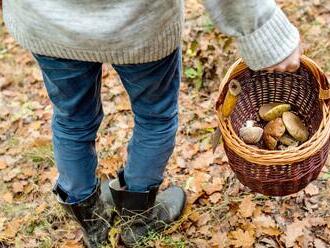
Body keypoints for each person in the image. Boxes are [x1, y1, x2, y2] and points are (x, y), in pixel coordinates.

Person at [2, 0, 301, 247]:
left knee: (71, 120)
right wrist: (263, 30)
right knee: (154, 118)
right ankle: (137, 219)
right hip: (137, 26)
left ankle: (92, 223)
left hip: (49, 22)